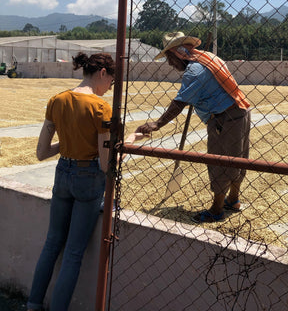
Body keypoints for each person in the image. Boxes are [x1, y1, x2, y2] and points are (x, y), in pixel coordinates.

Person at [27, 52, 115, 311]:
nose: (110, 87)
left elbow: (42, 152)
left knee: (52, 243)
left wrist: (67, 143)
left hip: (62, 173)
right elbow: (103, 161)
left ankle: (33, 304)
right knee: (74, 253)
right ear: (102, 73)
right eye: (111, 80)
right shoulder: (100, 107)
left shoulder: (57, 100)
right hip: (88, 179)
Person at [136, 32, 251, 224]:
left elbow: (179, 102)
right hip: (240, 111)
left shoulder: (194, 70)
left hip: (224, 118)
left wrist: (157, 124)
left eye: (170, 58)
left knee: (219, 161)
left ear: (179, 53)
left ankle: (217, 209)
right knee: (238, 158)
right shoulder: (208, 58)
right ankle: (233, 199)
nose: (170, 64)